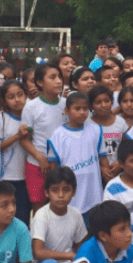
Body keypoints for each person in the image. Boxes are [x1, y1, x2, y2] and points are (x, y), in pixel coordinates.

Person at [48, 92, 110, 221]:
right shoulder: (57, 136)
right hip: (70, 194)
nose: (82, 112)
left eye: (85, 108)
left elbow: (103, 157)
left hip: (93, 192)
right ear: (67, 111)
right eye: (77, 109)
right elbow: (53, 168)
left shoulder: (96, 130)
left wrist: (105, 169)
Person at [20, 63, 67, 212]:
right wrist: (40, 158)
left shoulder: (66, 105)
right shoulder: (31, 107)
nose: (58, 81)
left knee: (60, 206)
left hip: (61, 164)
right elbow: (24, 139)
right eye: (52, 77)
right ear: (40, 82)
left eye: (59, 77)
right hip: (37, 165)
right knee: (39, 207)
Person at [31, 167, 87, 263]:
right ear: (47, 192)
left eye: (66, 190)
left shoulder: (76, 214)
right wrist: (69, 255)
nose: (61, 195)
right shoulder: (42, 216)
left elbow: (80, 245)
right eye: (55, 190)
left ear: (74, 192)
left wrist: (76, 260)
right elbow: (38, 252)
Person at [0, 80, 31, 225]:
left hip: (27, 176)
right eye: (11, 97)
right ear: (4, 101)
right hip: (6, 176)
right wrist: (17, 137)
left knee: (23, 216)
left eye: (20, 95)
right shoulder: (1, 118)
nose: (17, 100)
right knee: (6, 217)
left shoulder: (31, 116)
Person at [69, 201, 133, 263]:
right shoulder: (85, 260)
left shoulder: (132, 252)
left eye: (129, 226)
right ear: (103, 236)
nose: (129, 233)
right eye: (122, 229)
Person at [88, 86, 128, 178]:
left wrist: (119, 163)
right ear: (91, 106)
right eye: (98, 102)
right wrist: (101, 168)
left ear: (112, 102)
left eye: (107, 101)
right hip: (95, 172)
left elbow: (125, 147)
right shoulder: (87, 124)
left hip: (119, 171)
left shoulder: (120, 122)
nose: (103, 105)